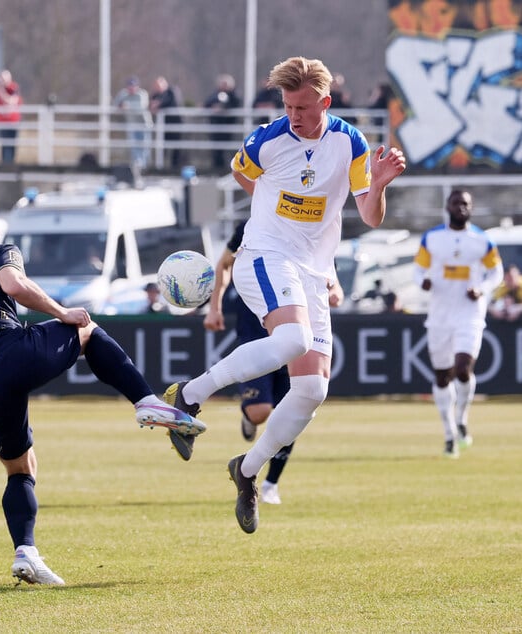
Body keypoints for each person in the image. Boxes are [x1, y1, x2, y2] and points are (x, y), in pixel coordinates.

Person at [0, 192, 205, 585]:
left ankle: (25, 552)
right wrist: (63, 313)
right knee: (86, 329)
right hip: (11, 355)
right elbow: (13, 285)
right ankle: (145, 401)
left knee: (20, 469)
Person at [163, 56, 406, 534]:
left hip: (313, 272)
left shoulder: (349, 142)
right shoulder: (268, 139)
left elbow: (371, 216)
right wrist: (272, 207)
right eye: (288, 105)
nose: (294, 115)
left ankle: (247, 470)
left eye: (303, 107)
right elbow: (241, 173)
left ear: (326, 102)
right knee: (292, 340)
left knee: (313, 390)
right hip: (264, 255)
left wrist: (377, 184)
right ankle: (187, 396)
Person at [190, 220, 345, 505]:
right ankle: (238, 414)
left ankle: (270, 482)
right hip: (256, 327)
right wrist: (215, 307)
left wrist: (335, 290)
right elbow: (224, 264)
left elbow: (328, 271)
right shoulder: (254, 226)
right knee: (261, 411)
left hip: (303, 323)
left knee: (302, 396)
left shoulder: (321, 217)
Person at [415, 190, 503, 458]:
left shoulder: (481, 240)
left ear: (471, 208)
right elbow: (418, 269)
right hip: (440, 316)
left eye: (465, 204)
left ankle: (462, 417)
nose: (461, 207)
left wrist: (483, 288)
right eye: (457, 203)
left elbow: (496, 271)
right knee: (442, 376)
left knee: (463, 369)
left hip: (469, 314)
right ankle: (449, 432)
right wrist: (423, 282)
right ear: (448, 206)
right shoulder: (432, 239)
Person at [203, 73, 242, 171]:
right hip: (216, 126)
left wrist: (224, 108)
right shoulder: (215, 95)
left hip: (229, 127)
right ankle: (216, 168)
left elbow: (236, 104)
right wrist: (214, 107)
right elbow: (207, 103)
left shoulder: (234, 95)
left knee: (228, 150)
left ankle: (229, 169)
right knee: (216, 150)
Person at [113, 76, 152, 170]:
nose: (131, 88)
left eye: (133, 86)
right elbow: (116, 104)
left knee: (144, 146)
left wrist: (128, 106)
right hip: (132, 124)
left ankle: (145, 167)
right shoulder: (123, 94)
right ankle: (137, 166)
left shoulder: (142, 94)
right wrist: (120, 105)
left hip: (144, 124)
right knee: (133, 146)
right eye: (130, 86)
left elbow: (142, 106)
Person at [0, 69, 23, 165]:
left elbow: (11, 101)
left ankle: (10, 163)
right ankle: (4, 163)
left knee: (11, 144)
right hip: (2, 122)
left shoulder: (13, 88)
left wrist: (1, 92)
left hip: (12, 122)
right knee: (4, 144)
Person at [149, 76, 184, 169]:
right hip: (163, 126)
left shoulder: (172, 91)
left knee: (176, 147)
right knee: (162, 147)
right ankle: (160, 167)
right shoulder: (155, 95)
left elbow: (172, 102)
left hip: (176, 124)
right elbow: (151, 105)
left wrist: (159, 104)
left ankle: (175, 167)